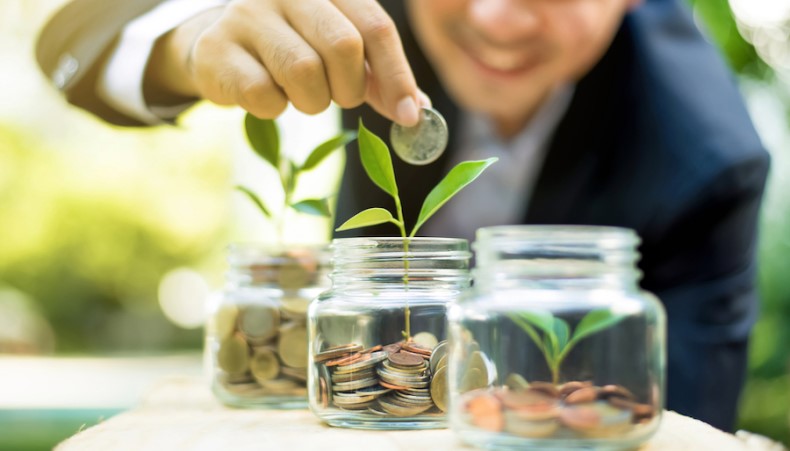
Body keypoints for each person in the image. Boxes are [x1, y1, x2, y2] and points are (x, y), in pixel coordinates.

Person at [36, 0, 770, 432]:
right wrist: (189, 39)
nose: (496, 18)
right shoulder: (368, 11)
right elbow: (74, 39)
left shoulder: (707, 158)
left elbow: (685, 422)